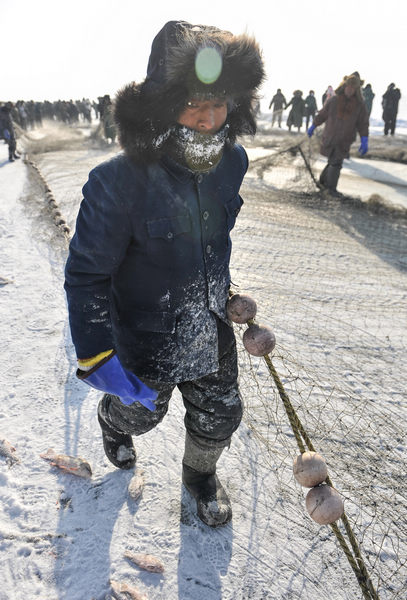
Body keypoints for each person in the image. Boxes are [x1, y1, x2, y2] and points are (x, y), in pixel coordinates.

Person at [64, 20, 264, 528]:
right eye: (194, 103)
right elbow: (86, 275)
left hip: (210, 324)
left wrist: (228, 290)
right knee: (142, 415)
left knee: (220, 415)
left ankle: (198, 478)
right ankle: (114, 422)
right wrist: (97, 354)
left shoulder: (233, 161)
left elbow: (211, 239)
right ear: (161, 103)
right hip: (144, 337)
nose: (208, 117)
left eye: (219, 103)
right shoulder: (116, 181)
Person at [307, 72, 369, 197]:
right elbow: (323, 114)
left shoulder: (359, 105)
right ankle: (330, 189)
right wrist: (313, 125)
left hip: (345, 140)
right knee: (334, 162)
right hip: (330, 136)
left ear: (357, 90)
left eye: (353, 88)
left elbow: (363, 123)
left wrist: (364, 139)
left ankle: (324, 184)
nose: (350, 90)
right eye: (348, 87)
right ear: (344, 86)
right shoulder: (334, 100)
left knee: (335, 162)